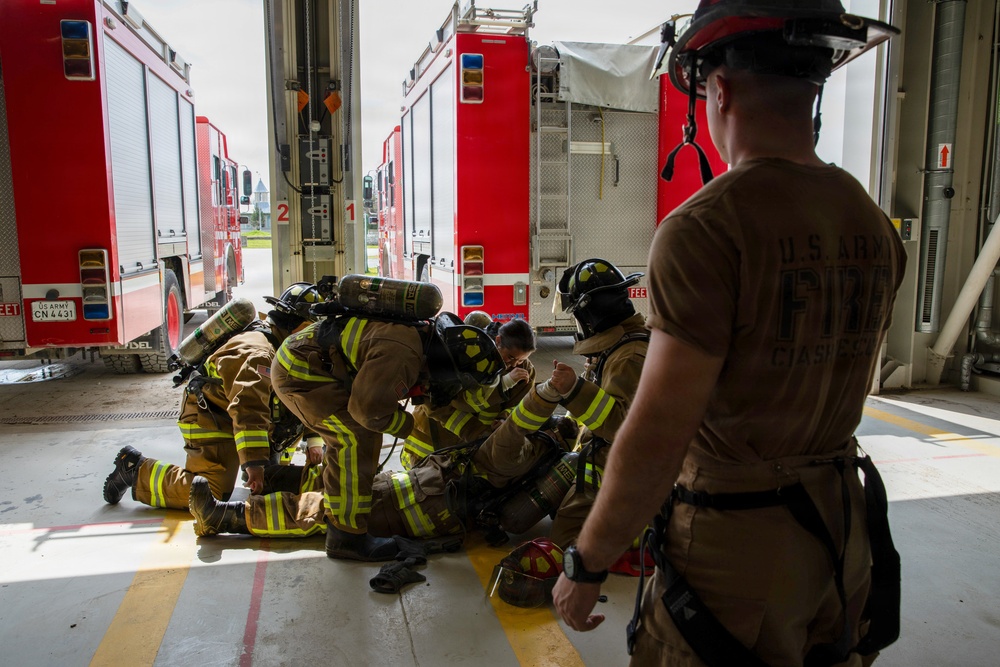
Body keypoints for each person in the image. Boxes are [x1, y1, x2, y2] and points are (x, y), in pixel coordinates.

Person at [553, 3, 904, 666]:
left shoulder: (707, 228)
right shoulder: (871, 222)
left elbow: (659, 431)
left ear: (717, 89)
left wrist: (588, 558)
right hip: (841, 533)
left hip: (736, 551)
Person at [189, 364, 581, 542]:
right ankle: (272, 479)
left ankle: (223, 518)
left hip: (418, 503)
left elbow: (513, 431)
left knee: (318, 511)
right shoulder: (522, 464)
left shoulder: (513, 455)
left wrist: (545, 394)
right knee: (343, 481)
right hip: (419, 489)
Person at [270, 309, 505, 561]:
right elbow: (367, 412)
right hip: (300, 371)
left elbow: (436, 405)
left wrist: (478, 434)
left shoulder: (428, 345)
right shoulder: (404, 354)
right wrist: (407, 425)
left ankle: (289, 485)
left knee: (360, 436)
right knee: (356, 437)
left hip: (315, 362)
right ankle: (346, 537)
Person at [102, 283, 324, 510]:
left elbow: (303, 393)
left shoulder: (285, 348)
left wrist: (313, 440)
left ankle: (267, 472)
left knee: (273, 479)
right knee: (210, 492)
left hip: (238, 415)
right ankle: (134, 470)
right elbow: (248, 409)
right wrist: (255, 463)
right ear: (302, 327)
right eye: (314, 332)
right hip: (210, 416)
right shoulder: (256, 354)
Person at [547, 258, 649, 554]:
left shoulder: (629, 357)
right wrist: (563, 425)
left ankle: (640, 535)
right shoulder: (616, 347)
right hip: (605, 458)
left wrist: (574, 390)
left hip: (621, 468)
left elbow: (618, 424)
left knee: (563, 541)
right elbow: (598, 402)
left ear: (591, 314)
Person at [403, 317, 538, 467]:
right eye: (511, 357)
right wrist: (477, 432)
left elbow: (519, 405)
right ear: (497, 341)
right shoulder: (466, 354)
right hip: (430, 442)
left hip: (476, 447)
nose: (513, 365)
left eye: (520, 360)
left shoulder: (525, 369)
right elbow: (443, 405)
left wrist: (503, 420)